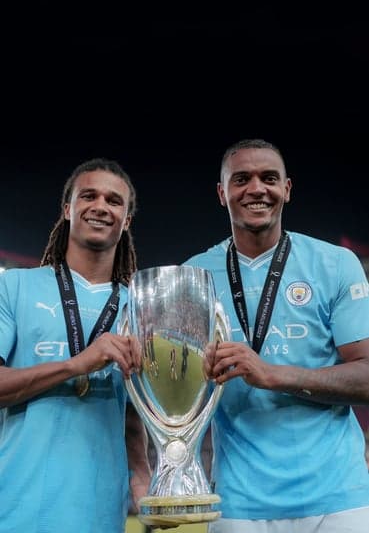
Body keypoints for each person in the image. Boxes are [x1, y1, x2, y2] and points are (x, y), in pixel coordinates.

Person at [183, 138, 369, 533]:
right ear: (222, 193)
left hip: (339, 499)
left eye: (269, 178)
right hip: (237, 505)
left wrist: (272, 374)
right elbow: (178, 391)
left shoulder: (335, 264)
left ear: (287, 188)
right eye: (241, 179)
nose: (256, 189)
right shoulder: (192, 276)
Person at [0, 157, 151, 533]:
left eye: (114, 201)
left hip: (100, 513)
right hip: (16, 507)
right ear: (68, 209)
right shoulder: (13, 288)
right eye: (89, 196)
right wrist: (77, 364)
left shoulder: (140, 307)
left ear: (127, 220)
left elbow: (133, 412)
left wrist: (142, 474)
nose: (101, 206)